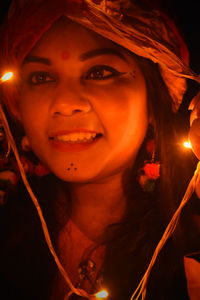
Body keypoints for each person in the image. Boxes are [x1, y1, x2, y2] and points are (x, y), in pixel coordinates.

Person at [0, 0, 199, 299]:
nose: (65, 104)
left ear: (152, 98)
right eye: (41, 77)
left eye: (100, 72)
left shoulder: (191, 239)